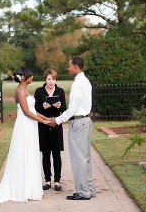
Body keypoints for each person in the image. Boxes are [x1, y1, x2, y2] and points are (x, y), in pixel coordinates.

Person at [0, 67, 52, 205]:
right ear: (23, 77)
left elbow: (33, 110)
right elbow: (27, 112)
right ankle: (22, 189)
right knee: (24, 154)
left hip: (31, 126)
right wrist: (44, 122)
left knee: (30, 154)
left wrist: (46, 118)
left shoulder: (25, 90)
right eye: (30, 75)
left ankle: (29, 188)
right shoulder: (20, 91)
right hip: (24, 126)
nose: (32, 77)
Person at [51, 56, 96, 201]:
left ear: (76, 66)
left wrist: (57, 120)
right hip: (86, 121)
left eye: (69, 65)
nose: (68, 68)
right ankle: (89, 189)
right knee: (86, 158)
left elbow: (74, 108)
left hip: (78, 122)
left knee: (79, 159)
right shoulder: (86, 81)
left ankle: (83, 192)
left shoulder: (78, 84)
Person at [34, 68, 67, 192]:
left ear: (56, 79)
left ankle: (57, 181)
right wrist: (43, 106)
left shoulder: (60, 91)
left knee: (57, 154)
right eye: (49, 79)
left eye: (53, 79)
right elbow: (35, 108)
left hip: (56, 124)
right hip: (43, 125)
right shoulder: (39, 91)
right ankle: (47, 180)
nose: (51, 82)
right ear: (45, 79)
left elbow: (65, 109)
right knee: (46, 153)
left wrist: (60, 106)